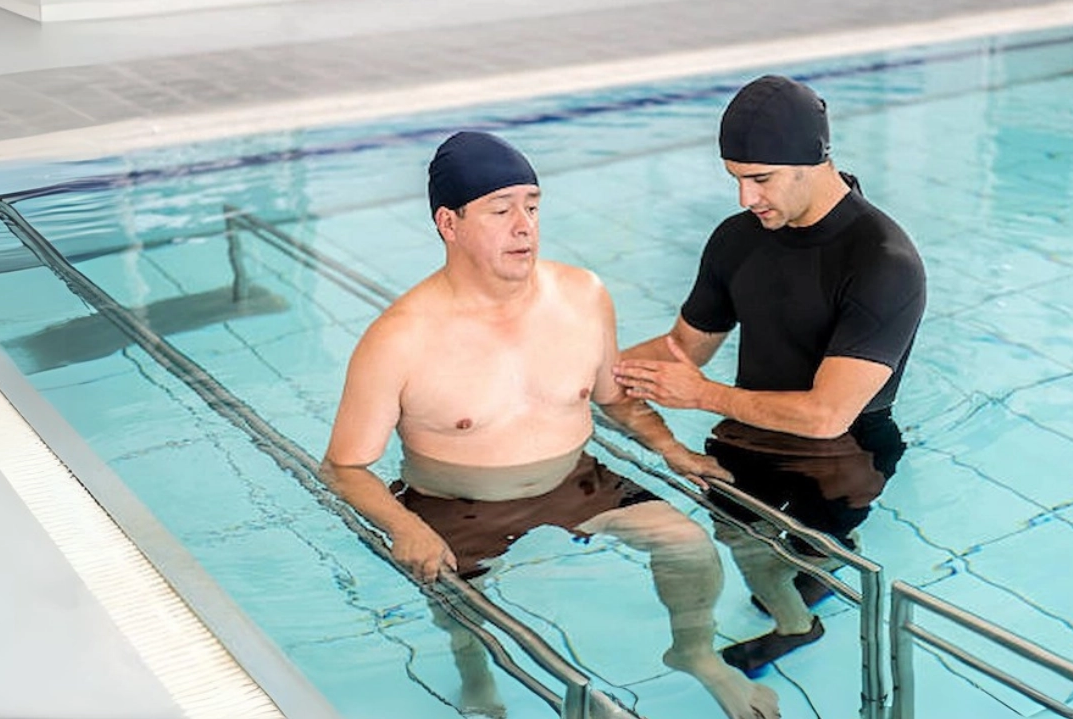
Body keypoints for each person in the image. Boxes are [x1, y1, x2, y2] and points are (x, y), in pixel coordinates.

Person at [318, 131, 779, 719]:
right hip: (457, 504)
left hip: (577, 482)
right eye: (500, 209)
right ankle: (476, 679)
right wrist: (405, 527)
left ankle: (695, 654)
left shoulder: (582, 295)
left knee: (690, 547)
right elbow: (346, 466)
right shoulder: (399, 339)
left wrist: (669, 449)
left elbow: (614, 397)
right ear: (448, 223)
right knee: (463, 604)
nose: (524, 226)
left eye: (532, 206)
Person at [614, 75, 926, 674]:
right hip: (750, 433)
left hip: (844, 452)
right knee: (741, 540)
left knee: (789, 553)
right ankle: (804, 596)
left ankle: (811, 594)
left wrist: (703, 397)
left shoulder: (884, 262)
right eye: (735, 178)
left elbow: (826, 414)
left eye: (759, 179)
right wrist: (594, 374)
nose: (744, 199)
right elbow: (684, 347)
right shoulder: (739, 239)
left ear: (813, 161)